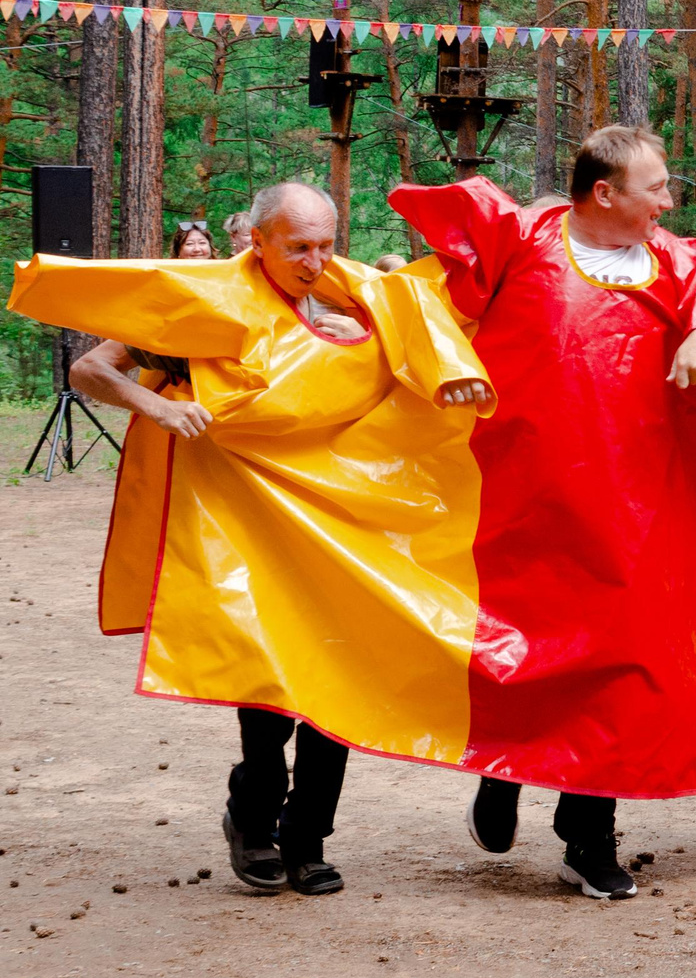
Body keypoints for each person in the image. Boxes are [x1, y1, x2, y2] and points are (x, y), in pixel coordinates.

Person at [58, 180, 492, 896]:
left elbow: (432, 341)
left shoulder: (363, 301)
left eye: (326, 244)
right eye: (298, 247)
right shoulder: (203, 304)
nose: (316, 260)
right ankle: (253, 820)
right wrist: (156, 407)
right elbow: (90, 369)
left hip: (337, 527)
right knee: (268, 693)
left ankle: (307, 838)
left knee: (339, 681)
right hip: (246, 533)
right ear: (256, 240)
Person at [396, 126, 696, 899]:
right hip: (527, 493)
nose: (669, 199)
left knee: (620, 668)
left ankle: (587, 836)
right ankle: (506, 768)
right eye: (655, 187)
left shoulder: (676, 259)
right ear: (605, 193)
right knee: (526, 644)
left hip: (639, 504)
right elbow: (430, 286)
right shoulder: (526, 236)